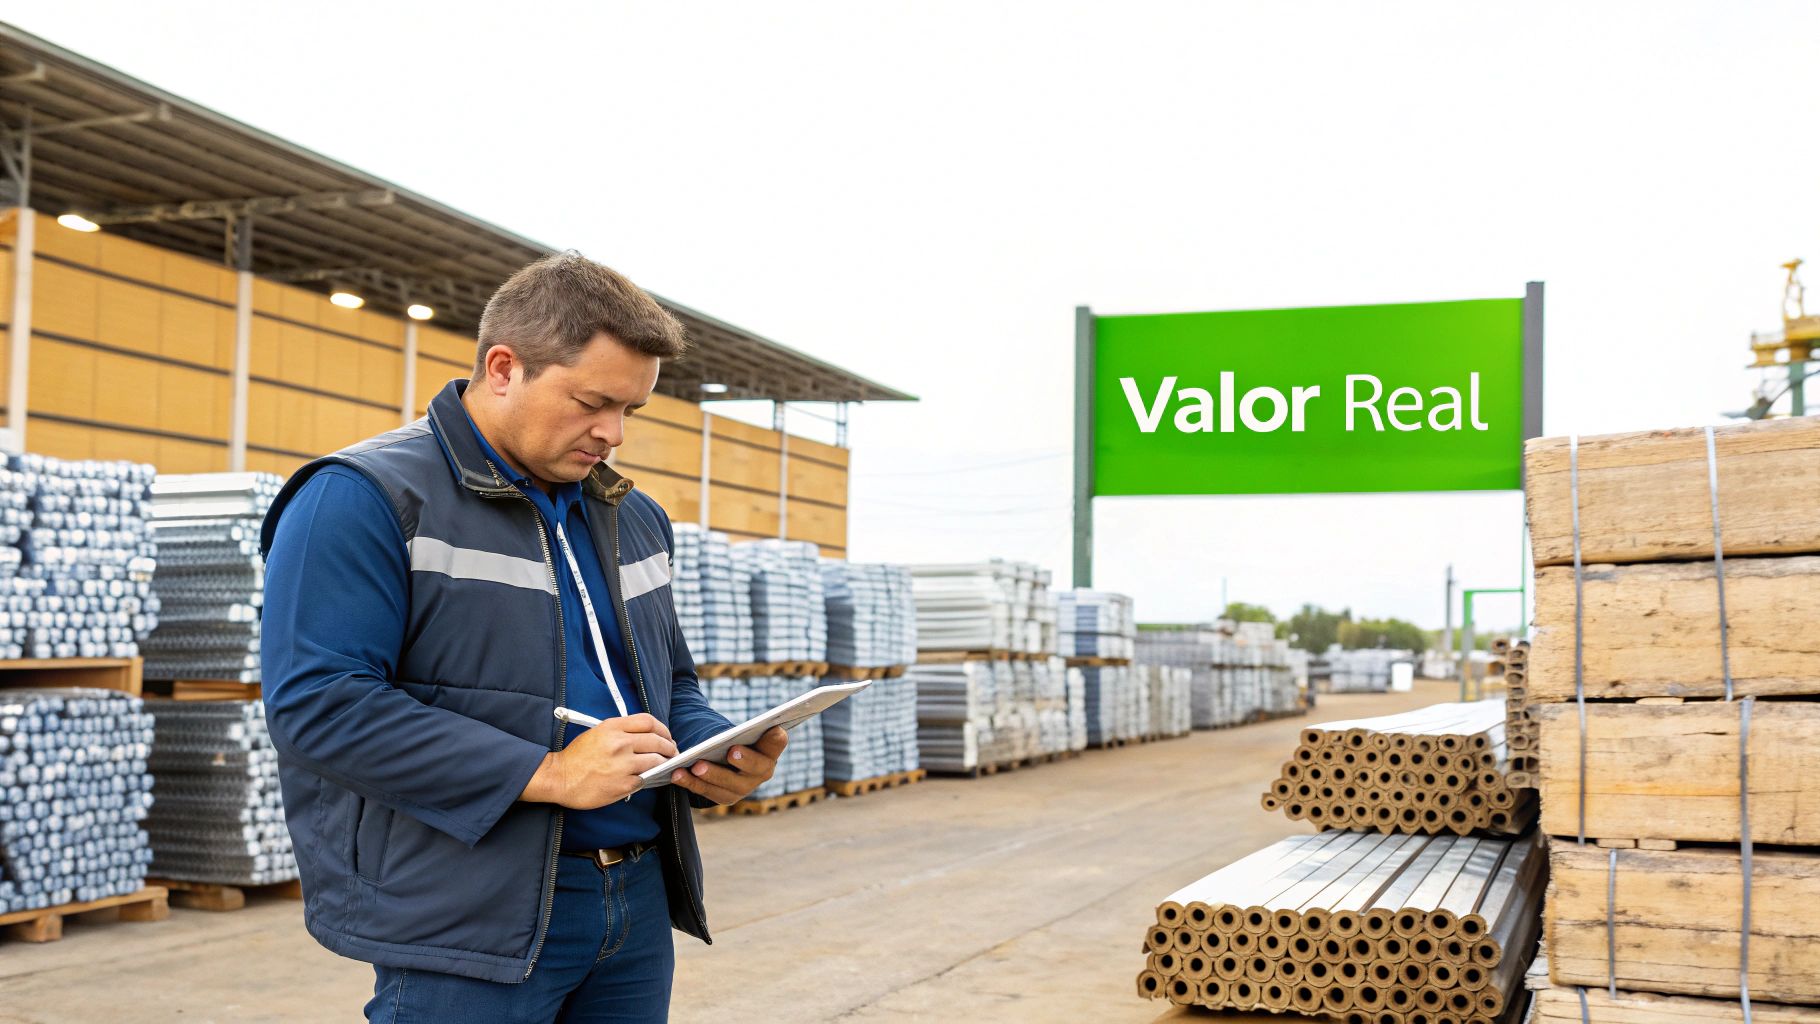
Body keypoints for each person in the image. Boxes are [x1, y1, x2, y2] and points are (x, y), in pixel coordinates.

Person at [259, 251, 787, 1023]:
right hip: (466, 915)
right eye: (592, 402)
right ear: (504, 368)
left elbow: (665, 682)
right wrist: (549, 773)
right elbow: (320, 707)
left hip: (633, 901)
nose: (612, 434)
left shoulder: (630, 517)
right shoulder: (363, 498)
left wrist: (714, 751)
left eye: (630, 411)